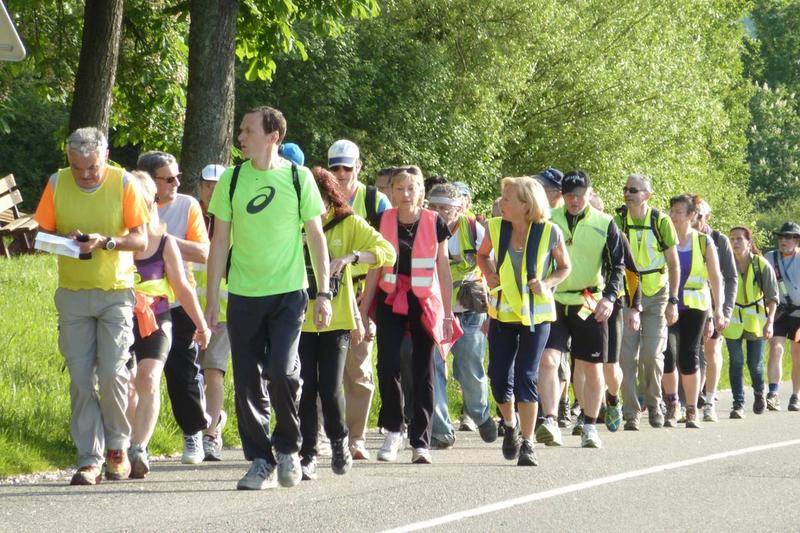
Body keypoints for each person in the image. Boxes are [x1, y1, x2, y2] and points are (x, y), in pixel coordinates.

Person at [204, 106, 332, 490]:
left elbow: (316, 238)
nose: (240, 136)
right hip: (243, 294)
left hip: (289, 293)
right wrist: (212, 298)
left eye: (248, 130)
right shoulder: (232, 178)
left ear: (272, 135)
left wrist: (323, 292)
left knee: (281, 371)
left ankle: (289, 448)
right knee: (246, 381)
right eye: (240, 130)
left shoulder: (298, 177)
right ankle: (261, 459)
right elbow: (219, 240)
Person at [33, 127, 149, 485]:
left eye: (92, 168)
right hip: (73, 293)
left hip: (115, 292)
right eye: (78, 167)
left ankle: (117, 447)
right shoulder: (56, 183)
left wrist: (106, 242)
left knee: (114, 372)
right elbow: (40, 236)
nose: (84, 174)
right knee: (81, 379)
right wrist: (66, 242)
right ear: (69, 159)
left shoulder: (124, 183)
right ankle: (89, 458)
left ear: (106, 156)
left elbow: (142, 239)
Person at [297, 167, 395, 480]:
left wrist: (352, 257)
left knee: (329, 386)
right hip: (298, 319)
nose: (315, 205)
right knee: (305, 388)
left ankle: (340, 441)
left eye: (320, 199)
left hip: (336, 318)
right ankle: (308, 453)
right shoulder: (292, 223)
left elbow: (387, 252)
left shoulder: (347, 222)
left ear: (330, 197)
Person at [359, 167, 454, 465]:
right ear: (391, 192)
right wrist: (364, 310)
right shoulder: (384, 220)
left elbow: (443, 269)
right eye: (399, 189)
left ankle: (420, 441)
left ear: (421, 192)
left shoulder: (434, 221)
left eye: (411, 189)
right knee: (387, 365)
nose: (405, 194)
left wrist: (448, 315)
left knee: (423, 368)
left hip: (424, 302)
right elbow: (376, 266)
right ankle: (392, 430)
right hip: (390, 299)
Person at [477, 177, 571, 466]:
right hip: (503, 313)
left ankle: (528, 443)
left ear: (526, 205)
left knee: (526, 377)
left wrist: (546, 283)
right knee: (498, 378)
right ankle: (510, 426)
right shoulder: (495, 228)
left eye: (507, 198)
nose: (501, 203)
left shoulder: (549, 232)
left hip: (536, 317)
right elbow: (482, 256)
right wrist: (490, 273)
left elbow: (565, 267)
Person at [126, 171, 212, 478]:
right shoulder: (115, 240)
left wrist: (202, 325)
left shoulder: (164, 242)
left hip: (156, 319)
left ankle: (138, 447)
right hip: (120, 320)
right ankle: (124, 445)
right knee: (126, 385)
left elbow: (183, 287)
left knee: (148, 378)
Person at [539, 171, 625, 448]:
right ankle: (550, 420)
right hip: (555, 299)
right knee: (549, 360)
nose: (574, 201)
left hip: (589, 300)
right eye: (569, 195)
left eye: (579, 195)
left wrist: (609, 298)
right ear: (561, 196)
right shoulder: (549, 220)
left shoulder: (605, 223)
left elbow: (617, 267)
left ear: (590, 193)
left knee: (591, 367)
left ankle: (589, 423)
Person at [327, 139, 391, 460]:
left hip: (364, 288)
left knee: (358, 369)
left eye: (347, 167)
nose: (340, 173)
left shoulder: (374, 200)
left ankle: (357, 438)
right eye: (335, 167)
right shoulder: (319, 197)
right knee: (323, 369)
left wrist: (367, 304)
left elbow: (384, 253)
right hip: (326, 292)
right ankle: (325, 435)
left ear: (358, 167)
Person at [427, 183, 498, 448]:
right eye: (433, 206)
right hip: (435, 311)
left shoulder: (473, 229)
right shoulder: (425, 227)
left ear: (458, 208)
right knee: (433, 370)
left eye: (444, 208)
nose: (438, 212)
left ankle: (480, 414)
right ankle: (442, 431)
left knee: (469, 368)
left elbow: (491, 262)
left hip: (469, 311)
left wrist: (495, 305)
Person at [615, 174, 680, 430]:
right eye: (625, 189)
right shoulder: (619, 220)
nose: (627, 193)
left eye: (633, 190)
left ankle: (654, 403)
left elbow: (674, 264)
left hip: (656, 295)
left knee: (652, 356)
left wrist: (673, 300)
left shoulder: (660, 221)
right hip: (628, 296)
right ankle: (631, 412)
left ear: (647, 195)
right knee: (626, 357)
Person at [661, 195, 724, 428]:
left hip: (696, 305)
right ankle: (672, 403)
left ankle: (691, 409)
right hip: (669, 304)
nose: (673, 215)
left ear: (691, 216)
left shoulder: (703, 241)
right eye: (672, 211)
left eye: (678, 211)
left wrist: (718, 311)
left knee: (689, 355)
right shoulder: (664, 238)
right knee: (667, 352)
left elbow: (716, 277)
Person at [588, 191, 642, 433]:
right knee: (585, 363)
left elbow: (632, 273)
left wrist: (635, 308)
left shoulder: (616, 236)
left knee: (610, 366)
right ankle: (588, 412)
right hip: (582, 303)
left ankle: (612, 397)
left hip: (613, 304)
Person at [194, 163, 231, 461]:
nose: (212, 190)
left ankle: (211, 434)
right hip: (186, 307)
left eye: (218, 186)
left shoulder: (236, 221)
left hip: (226, 310)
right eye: (208, 185)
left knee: (213, 370)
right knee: (188, 373)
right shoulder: (189, 216)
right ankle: (202, 422)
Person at [722, 226, 778, 418]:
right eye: (732, 239)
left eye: (739, 239)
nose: (735, 242)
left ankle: (758, 393)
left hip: (756, 319)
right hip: (733, 318)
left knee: (755, 364)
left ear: (749, 242)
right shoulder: (725, 263)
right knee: (736, 362)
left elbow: (773, 297)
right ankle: (738, 404)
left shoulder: (761, 264)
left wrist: (770, 322)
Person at [533, 167, 573, 428]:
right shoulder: (535, 219)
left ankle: (560, 405)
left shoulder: (564, 220)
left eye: (541, 188)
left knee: (559, 358)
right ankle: (546, 410)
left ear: (556, 193)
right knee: (546, 357)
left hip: (573, 296)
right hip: (545, 297)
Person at [691, 197, 737, 422]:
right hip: (692, 303)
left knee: (712, 349)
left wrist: (724, 310)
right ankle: (690, 399)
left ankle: (709, 400)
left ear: (707, 217)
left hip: (715, 303)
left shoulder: (719, 240)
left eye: (699, 215)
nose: (694, 219)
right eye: (692, 213)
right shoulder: (684, 237)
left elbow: (731, 277)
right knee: (691, 351)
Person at [765, 222, 800, 412]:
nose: (783, 241)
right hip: (779, 312)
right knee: (776, 349)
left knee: (797, 356)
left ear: (796, 240)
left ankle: (796, 395)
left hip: (799, 315)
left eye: (787, 237)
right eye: (781, 237)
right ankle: (773, 393)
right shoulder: (770, 257)